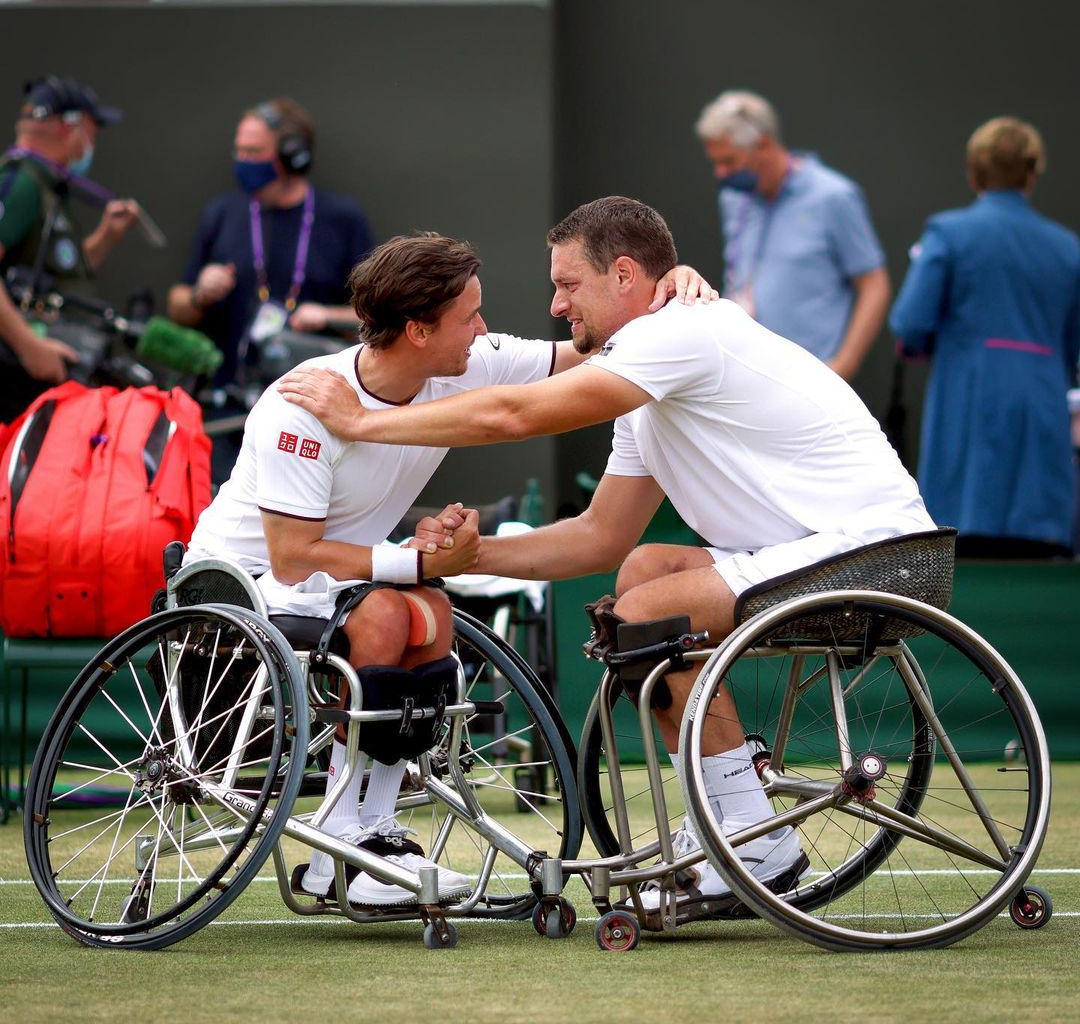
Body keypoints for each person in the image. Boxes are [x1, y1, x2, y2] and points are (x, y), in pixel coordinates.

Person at [279, 195, 937, 925]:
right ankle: (741, 810)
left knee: (648, 612)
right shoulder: (647, 371)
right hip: (833, 554)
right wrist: (459, 559)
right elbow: (597, 538)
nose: (556, 304)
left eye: (568, 285)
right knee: (644, 574)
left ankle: (754, 840)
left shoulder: (680, 334)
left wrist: (364, 421)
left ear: (624, 275)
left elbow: (514, 413)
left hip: (875, 554)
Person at [185, 229, 715, 908]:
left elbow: (589, 353)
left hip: (340, 583)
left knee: (429, 608)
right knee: (390, 605)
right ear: (417, 330)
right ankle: (341, 843)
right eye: (469, 317)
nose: (484, 330)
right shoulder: (301, 408)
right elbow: (293, 557)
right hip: (237, 586)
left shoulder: (471, 362)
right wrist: (414, 559)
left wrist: (668, 292)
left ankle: (368, 832)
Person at [889, 117, 1080, 559]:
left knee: (964, 552)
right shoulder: (1068, 248)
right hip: (1041, 412)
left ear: (973, 173)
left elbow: (910, 324)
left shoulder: (949, 233)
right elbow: (1073, 344)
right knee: (1038, 557)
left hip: (967, 406)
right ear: (1032, 173)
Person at [167, 96, 376, 480]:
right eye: (239, 150)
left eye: (253, 151)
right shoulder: (223, 213)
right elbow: (177, 306)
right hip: (226, 409)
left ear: (292, 156)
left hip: (311, 412)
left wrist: (326, 315)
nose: (242, 160)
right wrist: (200, 293)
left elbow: (381, 317)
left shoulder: (341, 219)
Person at [695, 90, 890, 381]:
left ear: (763, 145)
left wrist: (844, 366)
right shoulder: (735, 199)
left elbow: (874, 285)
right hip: (744, 374)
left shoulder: (833, 197)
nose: (721, 174)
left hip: (809, 380)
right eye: (716, 163)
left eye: (729, 161)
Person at [0, 75, 138, 423]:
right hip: (18, 377)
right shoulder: (21, 184)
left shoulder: (47, 187)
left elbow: (58, 275)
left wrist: (106, 236)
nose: (91, 142)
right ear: (70, 127)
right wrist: (29, 347)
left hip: (47, 367)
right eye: (91, 130)